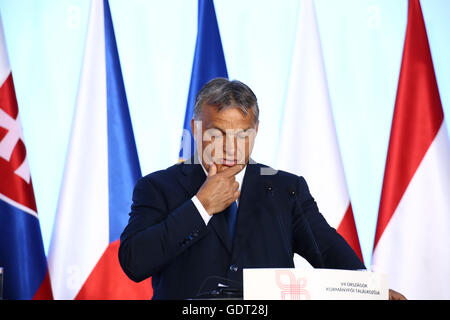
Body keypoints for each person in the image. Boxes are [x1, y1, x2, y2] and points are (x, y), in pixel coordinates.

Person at [119, 78, 405, 300]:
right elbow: (134, 262)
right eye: (217, 134)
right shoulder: (157, 187)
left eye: (242, 135)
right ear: (195, 130)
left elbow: (327, 249)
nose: (231, 148)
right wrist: (200, 206)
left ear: (256, 131)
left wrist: (370, 289)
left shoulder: (286, 189)